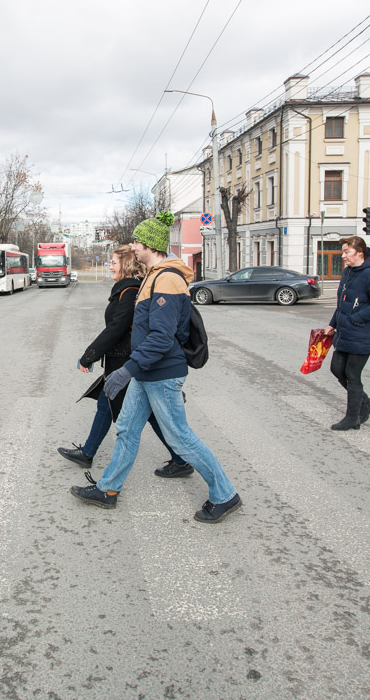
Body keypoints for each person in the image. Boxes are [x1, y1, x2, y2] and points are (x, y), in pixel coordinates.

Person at [70, 212, 242, 524]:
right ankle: (108, 490)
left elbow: (163, 337)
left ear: (150, 243)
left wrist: (127, 369)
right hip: (147, 372)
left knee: (179, 437)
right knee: (125, 429)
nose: (132, 246)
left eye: (136, 241)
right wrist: (133, 370)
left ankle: (225, 493)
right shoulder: (155, 275)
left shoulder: (167, 279)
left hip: (161, 373)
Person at [57, 244, 192, 477]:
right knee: (110, 403)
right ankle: (88, 453)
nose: (109, 266)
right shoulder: (126, 290)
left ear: (127, 264)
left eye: (113, 262)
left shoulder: (130, 291)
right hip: (123, 359)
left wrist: (89, 355)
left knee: (139, 413)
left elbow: (116, 329)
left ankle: (181, 459)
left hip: (127, 360)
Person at [323, 235, 370, 430]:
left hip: (362, 333)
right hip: (344, 331)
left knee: (352, 374)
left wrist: (357, 318)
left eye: (347, 252)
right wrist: (333, 323)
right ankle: (366, 403)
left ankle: (353, 417)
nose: (343, 256)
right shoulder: (349, 272)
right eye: (343, 251)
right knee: (336, 368)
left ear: (360, 253)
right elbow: (343, 302)